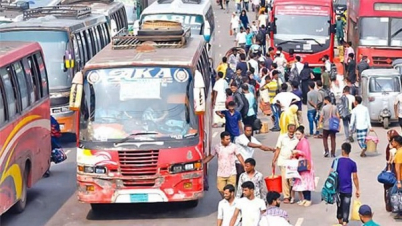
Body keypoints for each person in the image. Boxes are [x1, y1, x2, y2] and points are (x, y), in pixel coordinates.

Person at [203, 131, 245, 198]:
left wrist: (244, 165)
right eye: (227, 139)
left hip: (232, 172)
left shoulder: (233, 146)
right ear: (222, 139)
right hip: (221, 173)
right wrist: (203, 162)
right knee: (220, 189)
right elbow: (211, 156)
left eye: (229, 139)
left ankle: (231, 204)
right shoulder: (217, 147)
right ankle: (226, 199)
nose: (229, 141)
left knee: (231, 191)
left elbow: (239, 156)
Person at [331, 142, 360, 226]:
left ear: (342, 150)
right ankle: (344, 222)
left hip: (337, 188)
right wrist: (357, 189)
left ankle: (340, 219)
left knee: (339, 205)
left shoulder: (336, 161)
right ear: (349, 151)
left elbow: (331, 173)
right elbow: (355, 177)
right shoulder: (352, 163)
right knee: (346, 206)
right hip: (348, 188)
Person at [272, 124, 299, 203]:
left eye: (293, 132)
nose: (291, 133)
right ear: (288, 130)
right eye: (290, 132)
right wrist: (274, 160)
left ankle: (291, 194)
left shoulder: (297, 139)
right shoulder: (282, 137)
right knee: (284, 179)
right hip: (283, 161)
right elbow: (278, 149)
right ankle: (286, 196)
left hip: (292, 162)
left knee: (291, 179)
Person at [292, 126, 315, 207]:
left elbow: (305, 153)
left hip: (305, 163)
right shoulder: (300, 141)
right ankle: (305, 199)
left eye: (299, 134)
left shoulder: (304, 142)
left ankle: (308, 199)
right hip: (301, 162)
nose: (297, 135)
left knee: (306, 182)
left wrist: (297, 151)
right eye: (296, 134)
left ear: (302, 134)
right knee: (303, 182)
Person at [384, 130, 399, 212]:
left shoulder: (393, 147)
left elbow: (389, 159)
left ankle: (393, 206)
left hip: (394, 170)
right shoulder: (391, 146)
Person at [391, 135, 402, 219]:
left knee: (394, 193)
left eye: (393, 141)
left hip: (400, 178)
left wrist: (398, 182)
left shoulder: (399, 153)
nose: (392, 143)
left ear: (397, 143)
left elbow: (398, 168)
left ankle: (399, 211)